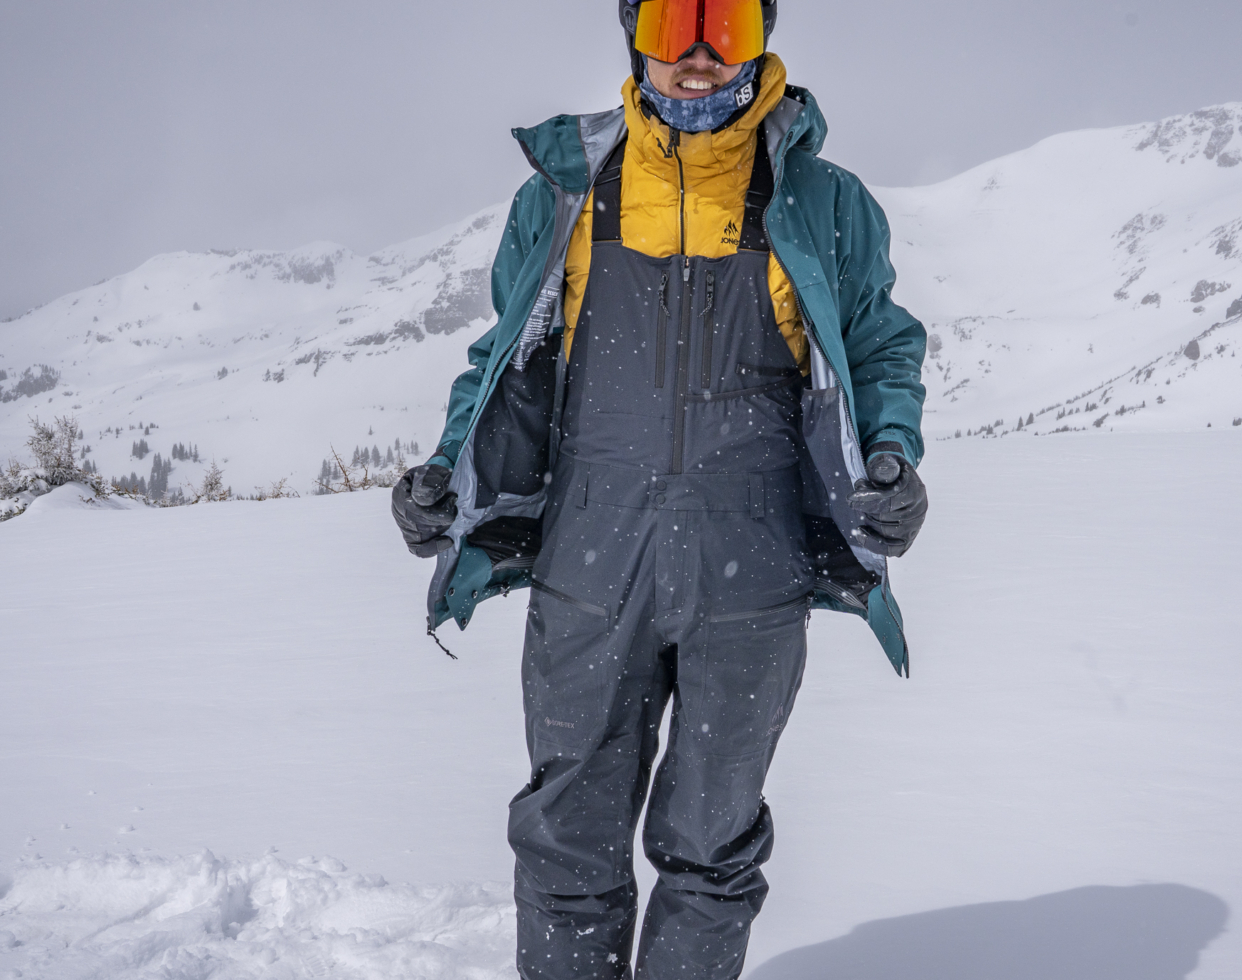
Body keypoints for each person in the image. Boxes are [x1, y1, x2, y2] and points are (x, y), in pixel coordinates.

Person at [392, 1, 927, 976]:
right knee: (567, 839)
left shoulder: (823, 201)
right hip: (590, 568)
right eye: (673, 17)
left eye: (720, 20)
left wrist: (891, 454)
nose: (692, 52)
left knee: (713, 846)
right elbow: (505, 360)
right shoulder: (566, 194)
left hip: (750, 574)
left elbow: (882, 346)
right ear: (633, 32)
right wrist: (447, 473)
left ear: (760, 34)